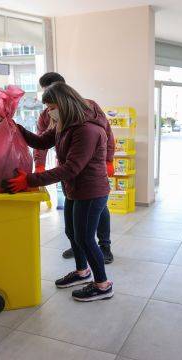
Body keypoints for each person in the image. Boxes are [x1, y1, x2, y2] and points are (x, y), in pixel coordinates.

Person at [3, 82, 113, 302]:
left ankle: (102, 285)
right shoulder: (66, 124)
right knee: (73, 234)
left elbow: (72, 167)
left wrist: (31, 180)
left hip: (91, 192)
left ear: (65, 102)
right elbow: (42, 140)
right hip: (74, 189)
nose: (49, 110)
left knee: (85, 237)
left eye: (52, 105)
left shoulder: (87, 129)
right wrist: (17, 128)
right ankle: (82, 273)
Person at [35, 72, 116, 264]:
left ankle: (104, 246)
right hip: (67, 170)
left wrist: (109, 159)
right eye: (46, 93)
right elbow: (42, 138)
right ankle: (79, 244)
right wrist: (39, 164)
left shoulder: (89, 106)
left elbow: (107, 131)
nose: (50, 104)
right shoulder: (47, 113)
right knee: (74, 213)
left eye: (54, 91)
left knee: (99, 207)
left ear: (65, 90)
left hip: (90, 170)